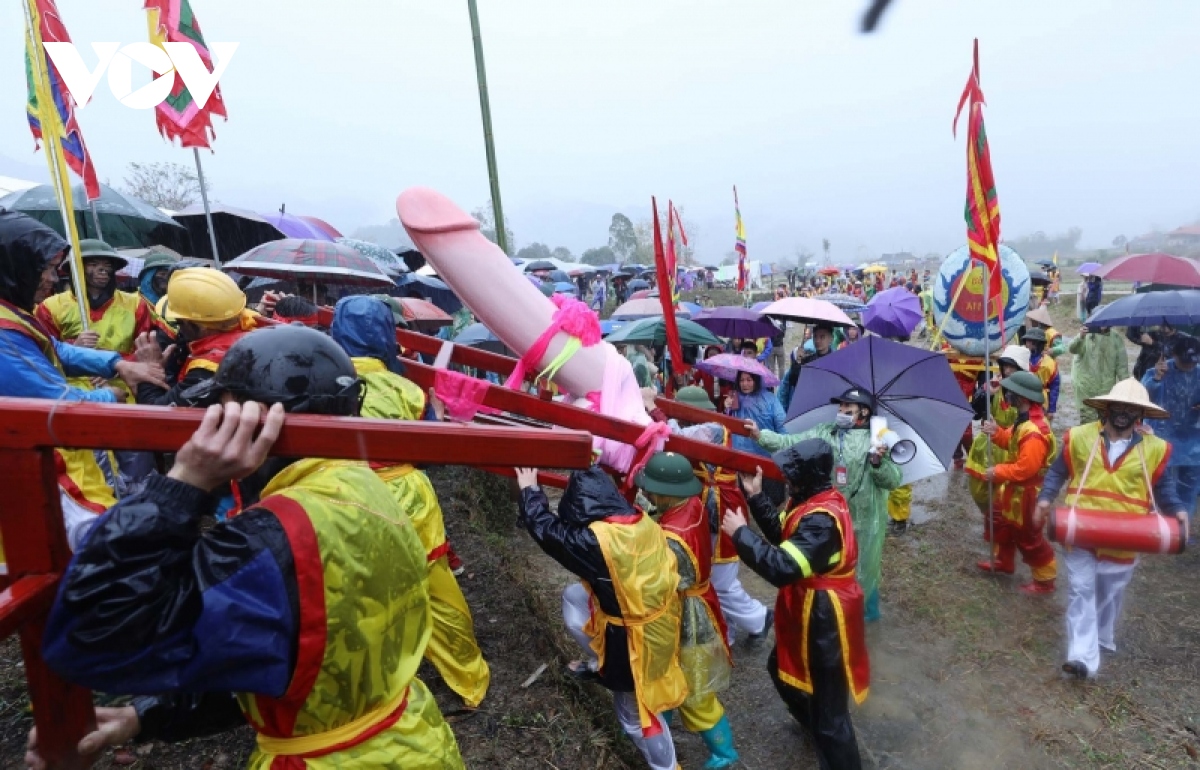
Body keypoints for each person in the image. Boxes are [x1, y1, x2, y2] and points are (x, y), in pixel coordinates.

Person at [34, 325, 464, 768]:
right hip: (413, 738)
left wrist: (183, 485)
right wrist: (141, 715)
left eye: (218, 412)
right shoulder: (363, 488)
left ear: (252, 421)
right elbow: (293, 659)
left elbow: (87, 638)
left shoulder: (273, 538)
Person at [331, 295, 490, 708]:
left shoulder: (323, 383)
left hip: (347, 496)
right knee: (438, 592)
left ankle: (374, 683)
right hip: (407, 499)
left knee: (360, 592)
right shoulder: (405, 389)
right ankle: (469, 681)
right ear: (386, 335)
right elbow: (431, 452)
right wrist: (434, 410)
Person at [0, 210, 167, 550]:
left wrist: (119, 364)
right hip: (58, 466)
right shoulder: (42, 311)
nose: (50, 277)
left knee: (134, 476)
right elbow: (48, 397)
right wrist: (111, 397)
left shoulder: (134, 304)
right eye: (44, 268)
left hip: (94, 428)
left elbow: (53, 349)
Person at [515, 466, 684, 770]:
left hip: (634, 641)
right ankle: (599, 660)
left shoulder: (599, 542)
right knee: (573, 597)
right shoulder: (640, 520)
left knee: (637, 715)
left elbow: (550, 535)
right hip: (660, 622)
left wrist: (530, 491)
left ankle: (667, 767)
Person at [720, 440, 868, 770]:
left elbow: (782, 567)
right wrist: (756, 497)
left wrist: (742, 534)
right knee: (782, 669)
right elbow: (785, 537)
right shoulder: (812, 500)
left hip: (826, 617)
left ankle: (834, 748)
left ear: (805, 475)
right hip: (809, 608)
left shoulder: (821, 520)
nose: (785, 477)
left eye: (791, 472)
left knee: (831, 711)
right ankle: (812, 724)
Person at [1035, 379, 1188, 680]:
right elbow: (1057, 471)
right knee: (1082, 590)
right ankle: (1082, 658)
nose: (1123, 412)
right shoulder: (1079, 437)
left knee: (1108, 593)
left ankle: (1103, 636)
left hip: (1126, 539)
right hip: (1079, 531)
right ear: (1106, 408)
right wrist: (1044, 499)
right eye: (1118, 406)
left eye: (1130, 408)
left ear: (1139, 414)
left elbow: (1165, 488)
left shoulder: (1154, 449)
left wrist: (1178, 511)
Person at [746, 388, 902, 622]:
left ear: (864, 412)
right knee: (829, 567)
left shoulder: (879, 439)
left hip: (868, 520)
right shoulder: (826, 431)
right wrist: (761, 436)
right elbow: (791, 443)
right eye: (839, 407)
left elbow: (893, 480)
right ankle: (833, 613)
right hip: (831, 515)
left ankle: (864, 619)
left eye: (847, 408)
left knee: (865, 569)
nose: (840, 412)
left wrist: (878, 462)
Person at [635, 452, 739, 770]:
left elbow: (653, 581)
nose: (648, 494)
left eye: (652, 491)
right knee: (665, 681)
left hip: (688, 619)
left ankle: (725, 754)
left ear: (668, 494)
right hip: (696, 603)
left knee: (695, 694)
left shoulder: (673, 539)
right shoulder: (691, 504)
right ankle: (659, 732)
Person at [35, 238, 166, 399]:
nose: (103, 270)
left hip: (124, 388)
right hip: (72, 392)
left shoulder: (136, 304)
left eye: (108, 265)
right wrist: (75, 346)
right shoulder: (50, 307)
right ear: (76, 269)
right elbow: (42, 354)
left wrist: (115, 369)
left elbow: (145, 350)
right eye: (93, 264)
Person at [976, 371, 1058, 594]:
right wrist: (997, 433)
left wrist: (999, 471)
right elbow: (1012, 442)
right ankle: (1004, 561)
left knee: (1028, 535)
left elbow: (1025, 468)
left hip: (1028, 494)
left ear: (1021, 398)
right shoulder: (1024, 420)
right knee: (999, 521)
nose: (1006, 396)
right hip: (1013, 490)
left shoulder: (1034, 431)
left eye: (1009, 392)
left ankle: (1045, 580)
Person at [133, 268, 265, 407]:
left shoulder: (207, 369)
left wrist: (149, 369)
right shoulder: (254, 324)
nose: (179, 329)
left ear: (203, 327)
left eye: (180, 322)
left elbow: (156, 414)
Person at [1141, 335, 1200, 527]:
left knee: (1188, 486)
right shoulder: (1158, 371)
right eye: (1184, 362)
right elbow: (1141, 399)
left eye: (1193, 362)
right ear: (1173, 354)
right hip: (1161, 437)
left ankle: (1182, 526)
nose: (1189, 366)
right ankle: (1158, 524)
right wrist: (1156, 379)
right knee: (1160, 482)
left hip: (1192, 440)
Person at [1069, 323, 1129, 425]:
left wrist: (1127, 386)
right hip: (1086, 387)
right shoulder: (1087, 335)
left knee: (1105, 421)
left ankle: (1102, 440)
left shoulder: (1116, 338)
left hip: (1106, 388)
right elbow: (1073, 349)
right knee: (1088, 421)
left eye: (1105, 322)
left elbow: (1122, 366)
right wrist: (1081, 337)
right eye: (1100, 322)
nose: (1103, 325)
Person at [778, 323, 834, 410]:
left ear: (831, 339)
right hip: (807, 405)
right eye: (815, 337)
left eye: (822, 337)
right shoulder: (807, 360)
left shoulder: (835, 361)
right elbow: (794, 382)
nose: (818, 340)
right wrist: (797, 362)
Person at [1022, 328, 1059, 422]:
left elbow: (1055, 387)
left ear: (1036, 343)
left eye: (1029, 341)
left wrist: (1051, 409)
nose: (1026, 344)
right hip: (1022, 397)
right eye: (1026, 341)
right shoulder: (1021, 358)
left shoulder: (1049, 363)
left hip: (1041, 400)